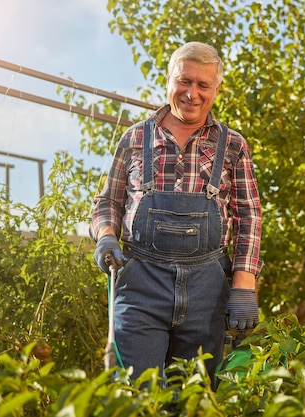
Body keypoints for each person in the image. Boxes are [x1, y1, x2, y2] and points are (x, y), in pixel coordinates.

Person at [90, 41, 263, 384]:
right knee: (136, 393)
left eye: (203, 85)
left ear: (216, 88)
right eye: (184, 81)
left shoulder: (233, 145)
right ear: (169, 79)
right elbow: (108, 201)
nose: (192, 93)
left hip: (207, 291)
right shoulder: (135, 138)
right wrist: (106, 235)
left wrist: (245, 283)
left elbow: (249, 215)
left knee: (195, 397)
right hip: (141, 284)